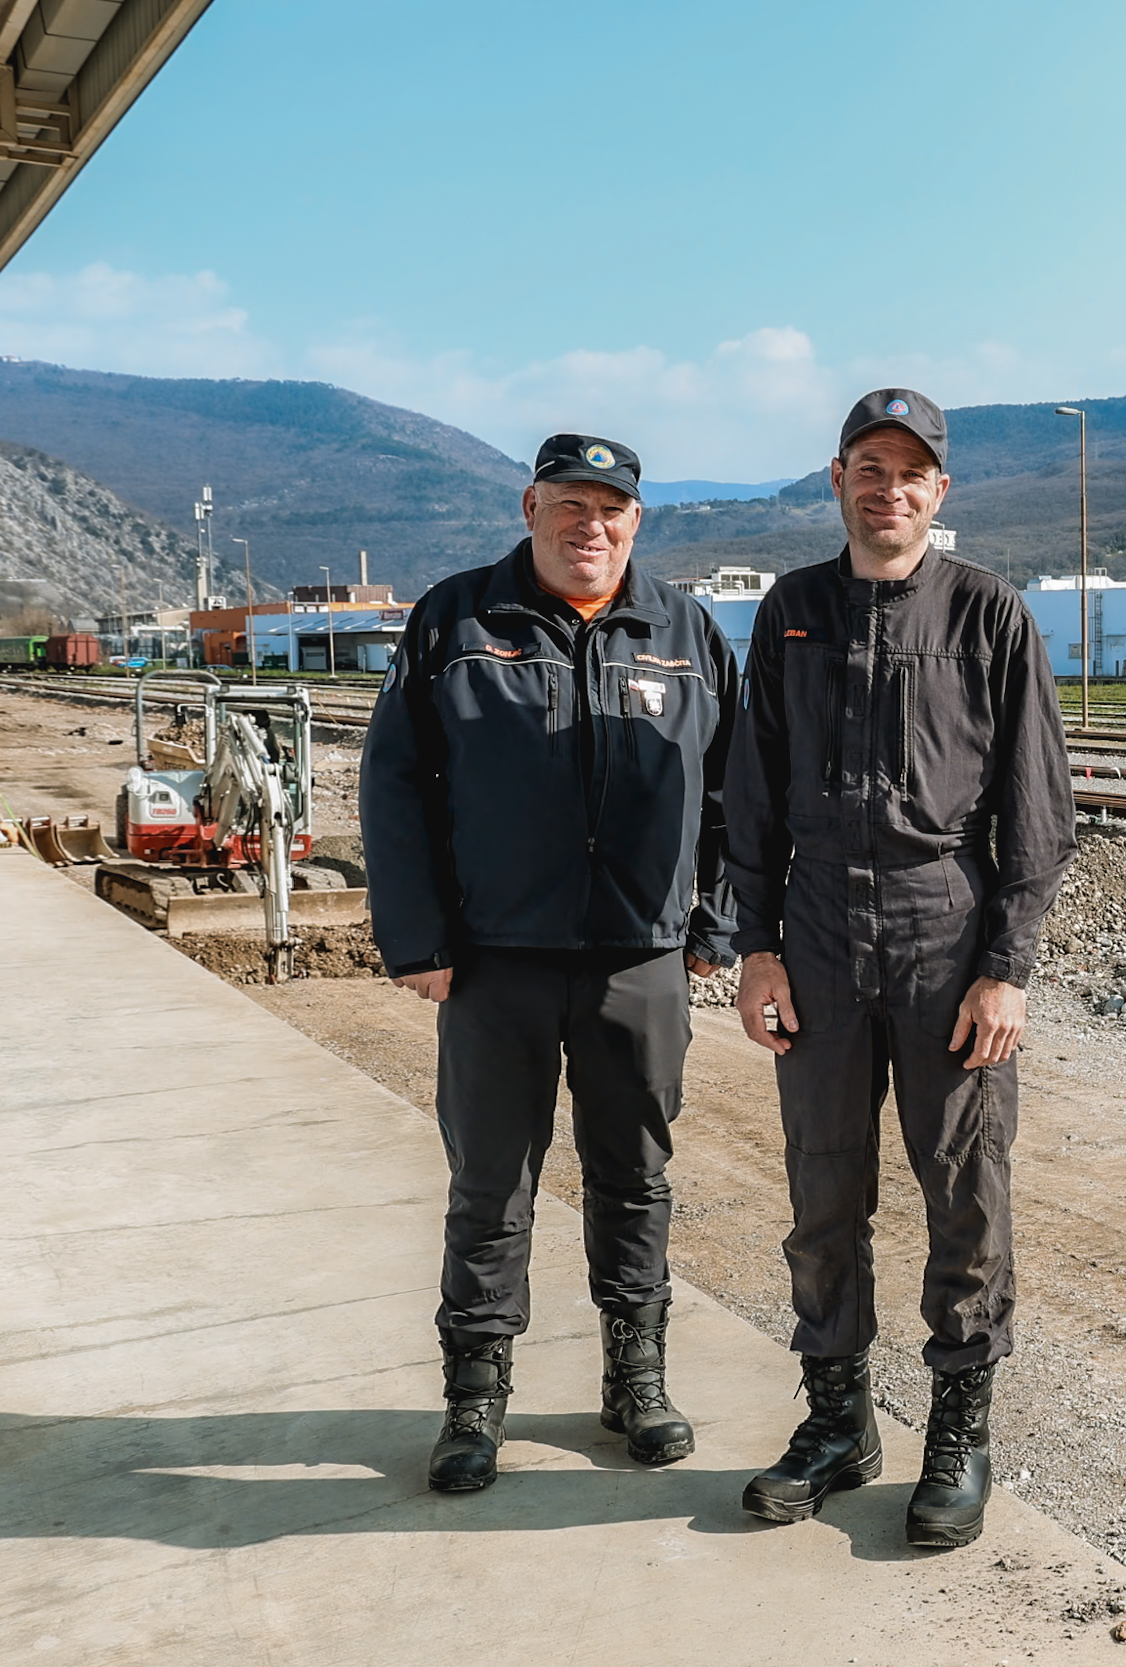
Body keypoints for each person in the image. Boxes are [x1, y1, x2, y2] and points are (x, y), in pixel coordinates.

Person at [725, 388, 1074, 1548]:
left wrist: (1006, 966)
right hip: (818, 926)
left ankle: (958, 1434)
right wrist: (757, 944)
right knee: (824, 1190)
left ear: (940, 490)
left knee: (964, 1188)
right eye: (868, 467)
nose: (889, 487)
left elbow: (1035, 810)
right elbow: (752, 795)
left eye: (910, 470)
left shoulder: (989, 614)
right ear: (836, 480)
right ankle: (837, 1422)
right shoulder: (791, 610)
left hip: (943, 922)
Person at [362, 433, 739, 1492]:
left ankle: (637, 1377)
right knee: (491, 1183)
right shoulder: (457, 619)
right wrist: (420, 936)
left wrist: (714, 923)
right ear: (530, 506)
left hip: (640, 960)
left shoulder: (684, 631)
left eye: (612, 508)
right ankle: (475, 1401)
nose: (592, 526)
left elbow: (730, 795)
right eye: (571, 505)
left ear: (637, 519)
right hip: (494, 961)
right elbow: (397, 784)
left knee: (636, 1177)